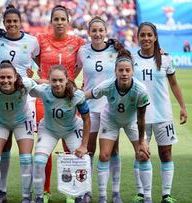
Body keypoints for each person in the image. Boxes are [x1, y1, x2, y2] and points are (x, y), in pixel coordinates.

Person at [85, 49, 152, 203]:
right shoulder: (108, 85)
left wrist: (142, 141)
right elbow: (90, 94)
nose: (124, 73)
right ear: (115, 72)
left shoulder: (140, 90)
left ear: (132, 72)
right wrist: (73, 98)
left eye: (127, 70)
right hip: (111, 119)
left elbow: (141, 118)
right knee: (104, 155)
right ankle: (103, 196)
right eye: (120, 70)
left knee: (143, 155)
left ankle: (147, 197)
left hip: (132, 121)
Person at [0, 5, 40, 202]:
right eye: (8, 21)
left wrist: (34, 75)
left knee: (26, 156)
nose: (11, 24)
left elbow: (40, 62)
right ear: (4, 23)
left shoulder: (32, 42)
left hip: (25, 99)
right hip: (2, 96)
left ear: (20, 23)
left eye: (15, 21)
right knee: (3, 149)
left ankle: (27, 196)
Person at [34, 5, 85, 203]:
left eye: (63, 19)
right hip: (45, 99)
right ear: (51, 21)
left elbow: (90, 57)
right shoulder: (40, 39)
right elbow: (26, 53)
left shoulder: (78, 42)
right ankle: (44, 191)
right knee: (44, 148)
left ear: (68, 21)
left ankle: (70, 191)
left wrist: (70, 83)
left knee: (69, 147)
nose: (60, 22)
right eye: (56, 19)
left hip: (69, 99)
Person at [134, 22, 187, 203]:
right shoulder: (132, 58)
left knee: (166, 154)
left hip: (163, 115)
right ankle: (144, 195)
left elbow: (174, 83)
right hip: (140, 117)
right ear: (138, 37)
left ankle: (166, 195)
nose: (146, 38)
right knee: (141, 154)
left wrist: (183, 107)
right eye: (143, 35)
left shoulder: (165, 59)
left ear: (155, 37)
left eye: (150, 35)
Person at [76, 16, 124, 203]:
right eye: (94, 31)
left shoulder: (115, 50)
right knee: (89, 149)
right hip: (89, 107)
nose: (97, 34)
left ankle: (116, 192)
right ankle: (86, 190)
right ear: (89, 32)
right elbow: (73, 71)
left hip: (110, 109)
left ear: (106, 32)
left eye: (100, 30)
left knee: (113, 150)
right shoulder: (82, 51)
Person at [31, 65, 90, 203]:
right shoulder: (43, 90)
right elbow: (27, 85)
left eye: (60, 80)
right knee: (39, 161)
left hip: (72, 129)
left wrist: (84, 145)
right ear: (49, 81)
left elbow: (87, 120)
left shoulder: (77, 95)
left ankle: (78, 195)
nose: (57, 84)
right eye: (54, 80)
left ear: (66, 80)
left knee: (80, 160)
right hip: (49, 130)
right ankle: (39, 196)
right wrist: (32, 79)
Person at [0, 61, 36, 203]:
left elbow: (42, 86)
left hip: (22, 121)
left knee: (26, 158)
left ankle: (26, 196)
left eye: (9, 77)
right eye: (2, 77)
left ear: (16, 77)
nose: (5, 81)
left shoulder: (26, 84)